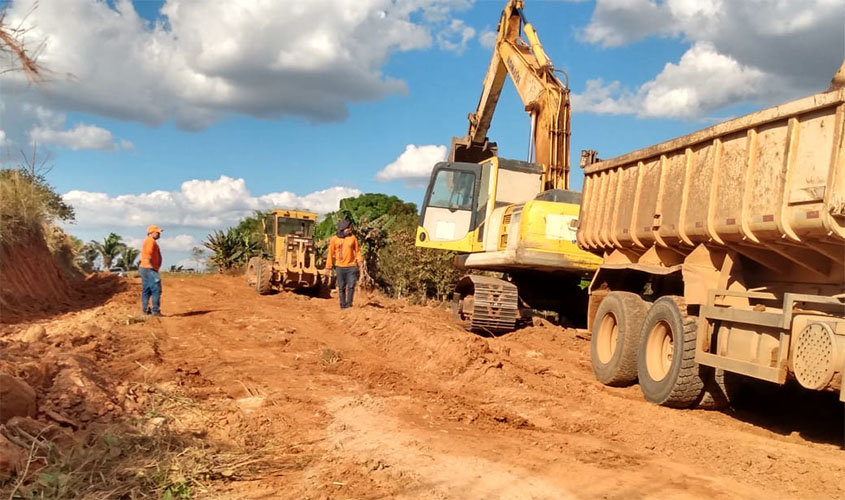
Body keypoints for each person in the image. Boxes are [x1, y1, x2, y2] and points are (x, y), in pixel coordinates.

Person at [325, 219, 361, 309]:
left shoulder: (353, 238)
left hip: (351, 266)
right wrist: (328, 267)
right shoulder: (334, 239)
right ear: (343, 228)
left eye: (349, 228)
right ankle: (343, 306)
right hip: (339, 267)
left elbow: (357, 251)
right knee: (341, 288)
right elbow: (330, 253)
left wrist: (360, 260)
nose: (349, 230)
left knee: (351, 286)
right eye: (348, 228)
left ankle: (349, 305)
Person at [139, 224, 164, 317]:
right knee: (156, 289)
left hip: (144, 268)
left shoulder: (149, 241)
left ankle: (145, 310)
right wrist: (151, 266)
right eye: (157, 232)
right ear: (151, 233)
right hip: (148, 268)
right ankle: (155, 310)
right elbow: (148, 254)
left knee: (147, 289)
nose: (159, 234)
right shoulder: (150, 241)